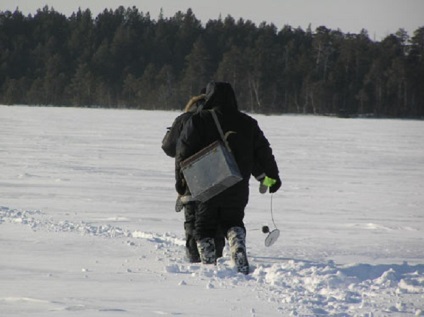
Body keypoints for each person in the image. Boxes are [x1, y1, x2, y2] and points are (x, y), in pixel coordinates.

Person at [175, 81, 281, 274]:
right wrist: (272, 178)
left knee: (204, 225)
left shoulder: (198, 120)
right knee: (233, 220)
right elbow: (264, 152)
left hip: (207, 184)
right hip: (237, 183)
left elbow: (182, 153)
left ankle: (208, 265)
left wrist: (181, 182)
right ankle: (237, 243)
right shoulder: (248, 122)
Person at [161, 91, 226, 263]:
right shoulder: (220, 118)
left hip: (188, 175)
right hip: (218, 174)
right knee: (216, 215)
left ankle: (193, 254)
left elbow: (168, 147)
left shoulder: (184, 119)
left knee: (191, 215)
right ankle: (217, 252)